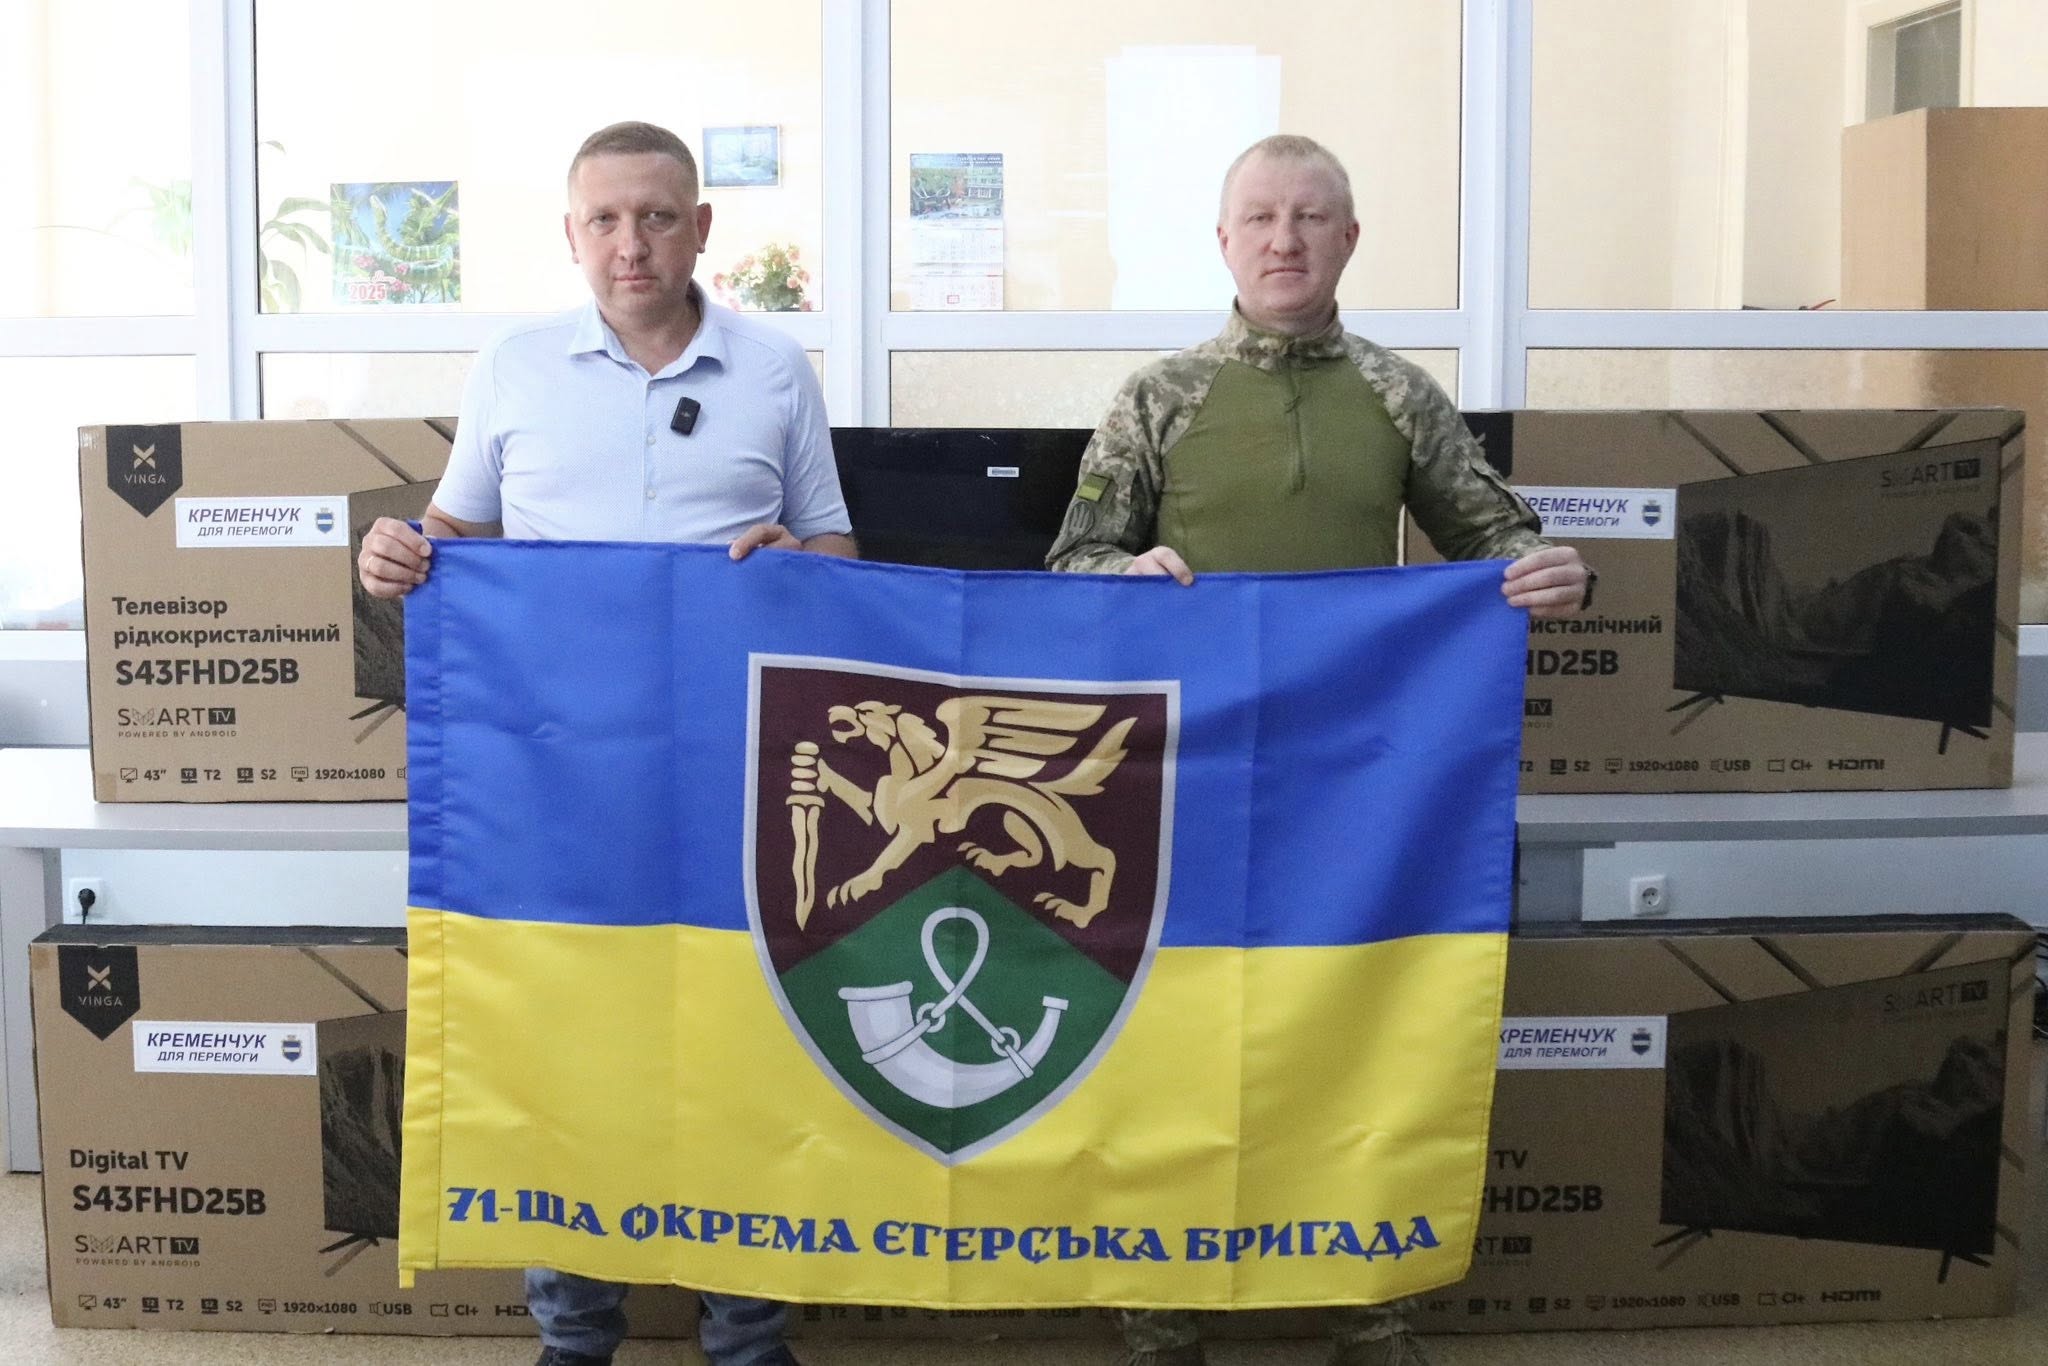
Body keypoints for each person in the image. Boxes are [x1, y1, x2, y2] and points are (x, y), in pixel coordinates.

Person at [1046, 134, 1592, 1366]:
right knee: (1171, 1027)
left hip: (1356, 783)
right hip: (1183, 779)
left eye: (1308, 217)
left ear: (1348, 238)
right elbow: (1073, 561)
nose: (1283, 239)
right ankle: (1159, 1309)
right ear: (1222, 239)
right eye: (1259, 217)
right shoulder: (1158, 397)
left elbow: (1495, 539)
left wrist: (1552, 569)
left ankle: (1366, 1308)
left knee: (1357, 1025)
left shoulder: (1398, 395)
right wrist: (1122, 572)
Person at [358, 120, 850, 1366]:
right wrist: (396, 554)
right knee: (564, 1042)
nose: (632, 243)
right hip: (557, 777)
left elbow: (839, 552)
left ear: (701, 228)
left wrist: (798, 564)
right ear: (571, 235)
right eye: (605, 219)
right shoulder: (514, 367)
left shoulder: (774, 367)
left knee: (744, 1037)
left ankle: (747, 1334)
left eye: (657, 216)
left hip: (732, 772)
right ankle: (574, 1332)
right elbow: (453, 537)